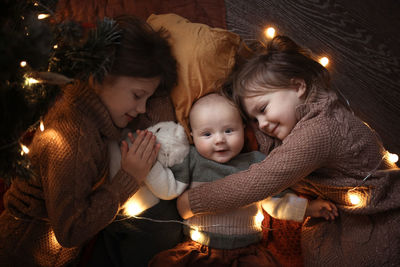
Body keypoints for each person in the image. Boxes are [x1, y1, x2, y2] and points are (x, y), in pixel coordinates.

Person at [176, 35, 400, 266]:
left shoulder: (321, 130)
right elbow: (275, 147)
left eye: (263, 109)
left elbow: (261, 180)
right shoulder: (297, 118)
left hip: (380, 214)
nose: (261, 125)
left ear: (298, 86)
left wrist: (194, 202)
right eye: (253, 119)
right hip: (342, 209)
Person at [0, 16, 179, 267]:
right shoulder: (72, 136)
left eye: (146, 98)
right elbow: (70, 232)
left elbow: (156, 100)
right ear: (99, 77)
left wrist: (151, 90)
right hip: (26, 257)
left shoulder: (101, 108)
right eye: (138, 96)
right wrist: (129, 178)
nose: (141, 109)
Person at [147, 93, 337, 266]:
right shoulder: (192, 159)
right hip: (200, 248)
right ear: (192, 136)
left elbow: (276, 201)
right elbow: (171, 186)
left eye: (229, 131)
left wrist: (307, 209)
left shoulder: (255, 162)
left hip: (248, 253)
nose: (219, 140)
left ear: (243, 129)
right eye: (207, 134)